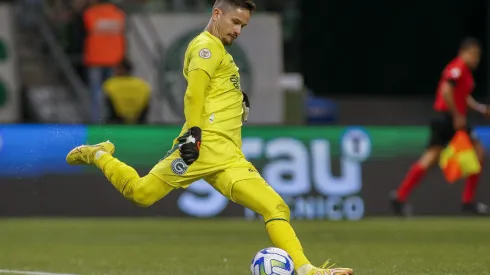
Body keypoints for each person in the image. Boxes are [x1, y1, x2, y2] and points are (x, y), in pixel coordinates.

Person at [65, 0, 354, 274]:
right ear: (217, 13)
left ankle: (307, 269)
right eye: (235, 21)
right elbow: (193, 92)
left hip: (229, 157)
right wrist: (193, 136)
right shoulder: (206, 46)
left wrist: (237, 100)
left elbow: (212, 91)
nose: (238, 30)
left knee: (276, 206)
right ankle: (99, 153)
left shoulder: (220, 52)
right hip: (201, 147)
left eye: (243, 26)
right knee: (141, 193)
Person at [391, 37, 490, 216]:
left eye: (478, 56)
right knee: (478, 151)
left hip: (448, 118)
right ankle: (468, 201)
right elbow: (446, 90)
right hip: (449, 119)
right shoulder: (457, 68)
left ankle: (400, 196)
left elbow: (463, 97)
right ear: (463, 52)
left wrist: (480, 109)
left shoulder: (465, 72)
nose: (476, 59)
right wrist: (457, 115)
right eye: (473, 54)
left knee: (431, 158)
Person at [103, 59, 151, 124]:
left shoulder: (110, 84)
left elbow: (109, 106)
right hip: (139, 121)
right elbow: (145, 106)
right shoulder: (143, 85)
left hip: (116, 122)